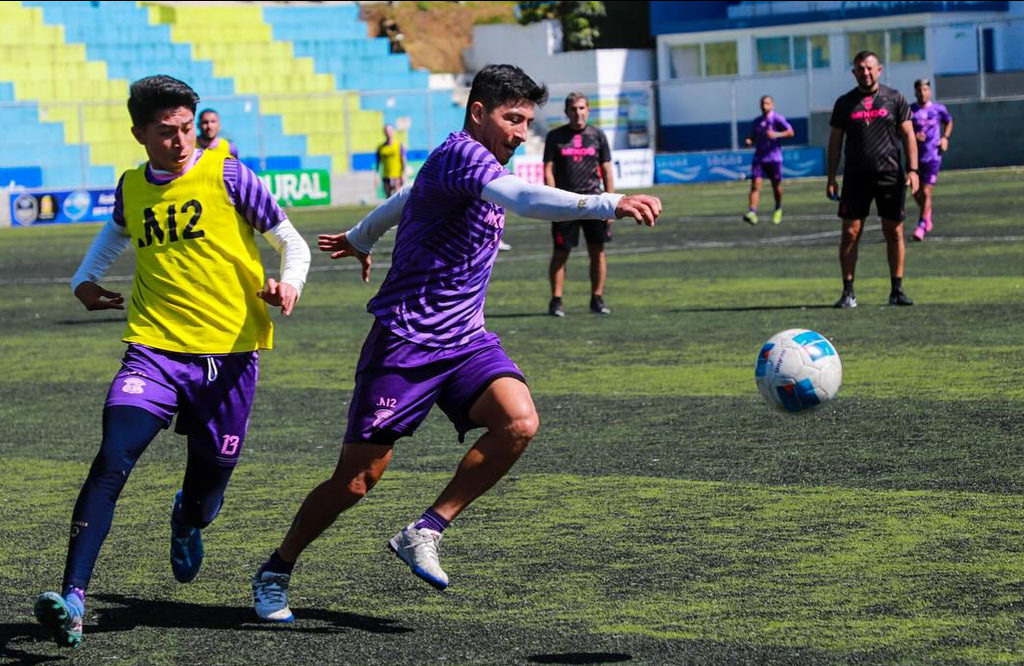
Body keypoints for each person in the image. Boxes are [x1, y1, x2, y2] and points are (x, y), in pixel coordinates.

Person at [250, 64, 661, 623]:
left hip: (465, 339)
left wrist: (358, 236)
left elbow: (407, 199)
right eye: (511, 118)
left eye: (526, 122)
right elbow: (523, 198)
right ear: (477, 113)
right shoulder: (466, 156)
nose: (521, 132)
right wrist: (606, 202)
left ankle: (426, 529)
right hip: (405, 340)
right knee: (356, 480)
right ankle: (276, 568)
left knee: (518, 422)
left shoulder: (467, 164)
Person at [33, 75, 311, 648]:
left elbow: (292, 240)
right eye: (166, 132)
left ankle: (187, 517)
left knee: (208, 490)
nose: (180, 141)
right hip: (154, 352)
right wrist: (84, 279)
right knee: (112, 457)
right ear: (139, 133)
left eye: (187, 128)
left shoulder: (229, 173)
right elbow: (115, 233)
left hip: (230, 359)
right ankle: (74, 599)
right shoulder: (132, 186)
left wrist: (290, 283)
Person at [826, 51, 919, 309]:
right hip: (855, 177)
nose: (865, 73)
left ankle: (897, 290)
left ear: (879, 69)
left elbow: (908, 135)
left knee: (894, 230)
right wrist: (831, 177)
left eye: (869, 68)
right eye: (860, 69)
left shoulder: (895, 98)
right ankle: (848, 292)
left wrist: (913, 170)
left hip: (890, 175)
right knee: (850, 232)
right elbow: (835, 142)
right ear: (854, 73)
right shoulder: (844, 103)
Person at [543, 92, 615, 317]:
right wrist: (554, 199)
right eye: (573, 109)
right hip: (565, 204)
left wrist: (610, 203)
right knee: (561, 252)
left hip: (594, 202)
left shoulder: (597, 135)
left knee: (598, 251)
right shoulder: (555, 136)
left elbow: (607, 170)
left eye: (582, 108)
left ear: (588, 110)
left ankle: (597, 297)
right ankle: (556, 300)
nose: (578, 113)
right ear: (566, 112)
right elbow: (548, 170)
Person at [909, 78, 953, 241]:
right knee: (915, 192)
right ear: (915, 92)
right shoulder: (910, 110)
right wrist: (913, 136)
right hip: (914, 158)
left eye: (925, 89)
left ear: (930, 91)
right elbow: (901, 132)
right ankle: (927, 213)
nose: (922, 93)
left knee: (926, 191)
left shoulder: (938, 109)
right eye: (920, 90)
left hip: (933, 157)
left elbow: (948, 122)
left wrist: (945, 138)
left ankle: (921, 225)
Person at [743, 95, 795, 225]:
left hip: (774, 158)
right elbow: (754, 136)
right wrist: (750, 140)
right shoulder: (757, 121)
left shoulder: (777, 118)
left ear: (772, 105)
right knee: (755, 184)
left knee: (776, 185)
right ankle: (752, 212)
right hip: (759, 158)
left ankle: (778, 208)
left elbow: (791, 132)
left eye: (767, 103)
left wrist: (776, 134)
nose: (764, 105)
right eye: (762, 103)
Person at [376, 123, 406, 198]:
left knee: (398, 198)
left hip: (397, 176)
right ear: (384, 132)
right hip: (386, 176)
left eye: (389, 130)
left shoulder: (399, 145)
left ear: (393, 131)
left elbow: (403, 161)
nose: (388, 132)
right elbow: (378, 162)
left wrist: (403, 174)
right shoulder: (381, 148)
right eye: (386, 131)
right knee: (388, 199)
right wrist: (376, 176)